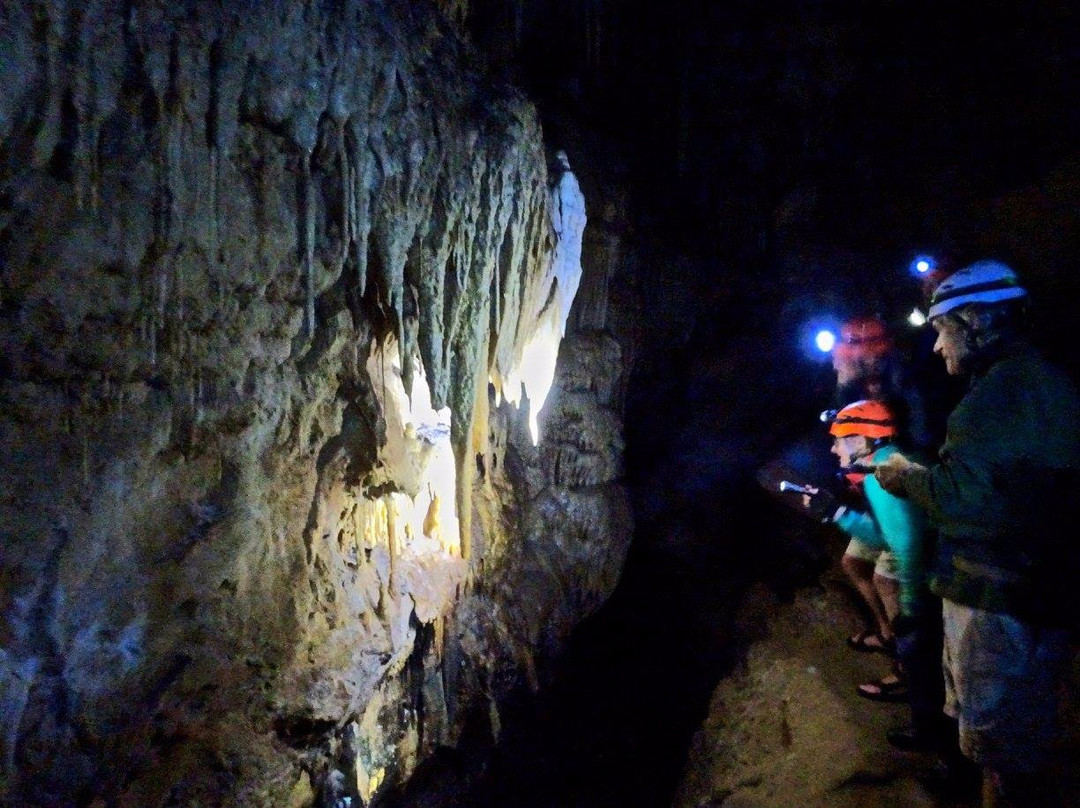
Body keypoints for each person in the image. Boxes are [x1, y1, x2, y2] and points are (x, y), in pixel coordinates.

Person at [876, 260, 1080, 807]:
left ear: (977, 321)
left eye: (943, 329)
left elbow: (969, 503)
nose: (939, 347)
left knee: (1004, 756)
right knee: (1002, 744)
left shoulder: (1003, 395)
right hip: (1028, 591)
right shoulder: (1038, 383)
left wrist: (909, 480)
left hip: (1000, 598)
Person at [802, 400, 945, 752]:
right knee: (924, 655)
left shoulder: (883, 477)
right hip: (939, 563)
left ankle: (937, 744)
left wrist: (911, 608)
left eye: (840, 440)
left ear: (861, 439)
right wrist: (836, 512)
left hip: (932, 575)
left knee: (921, 654)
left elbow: (905, 546)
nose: (834, 448)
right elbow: (889, 535)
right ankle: (932, 729)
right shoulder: (888, 462)